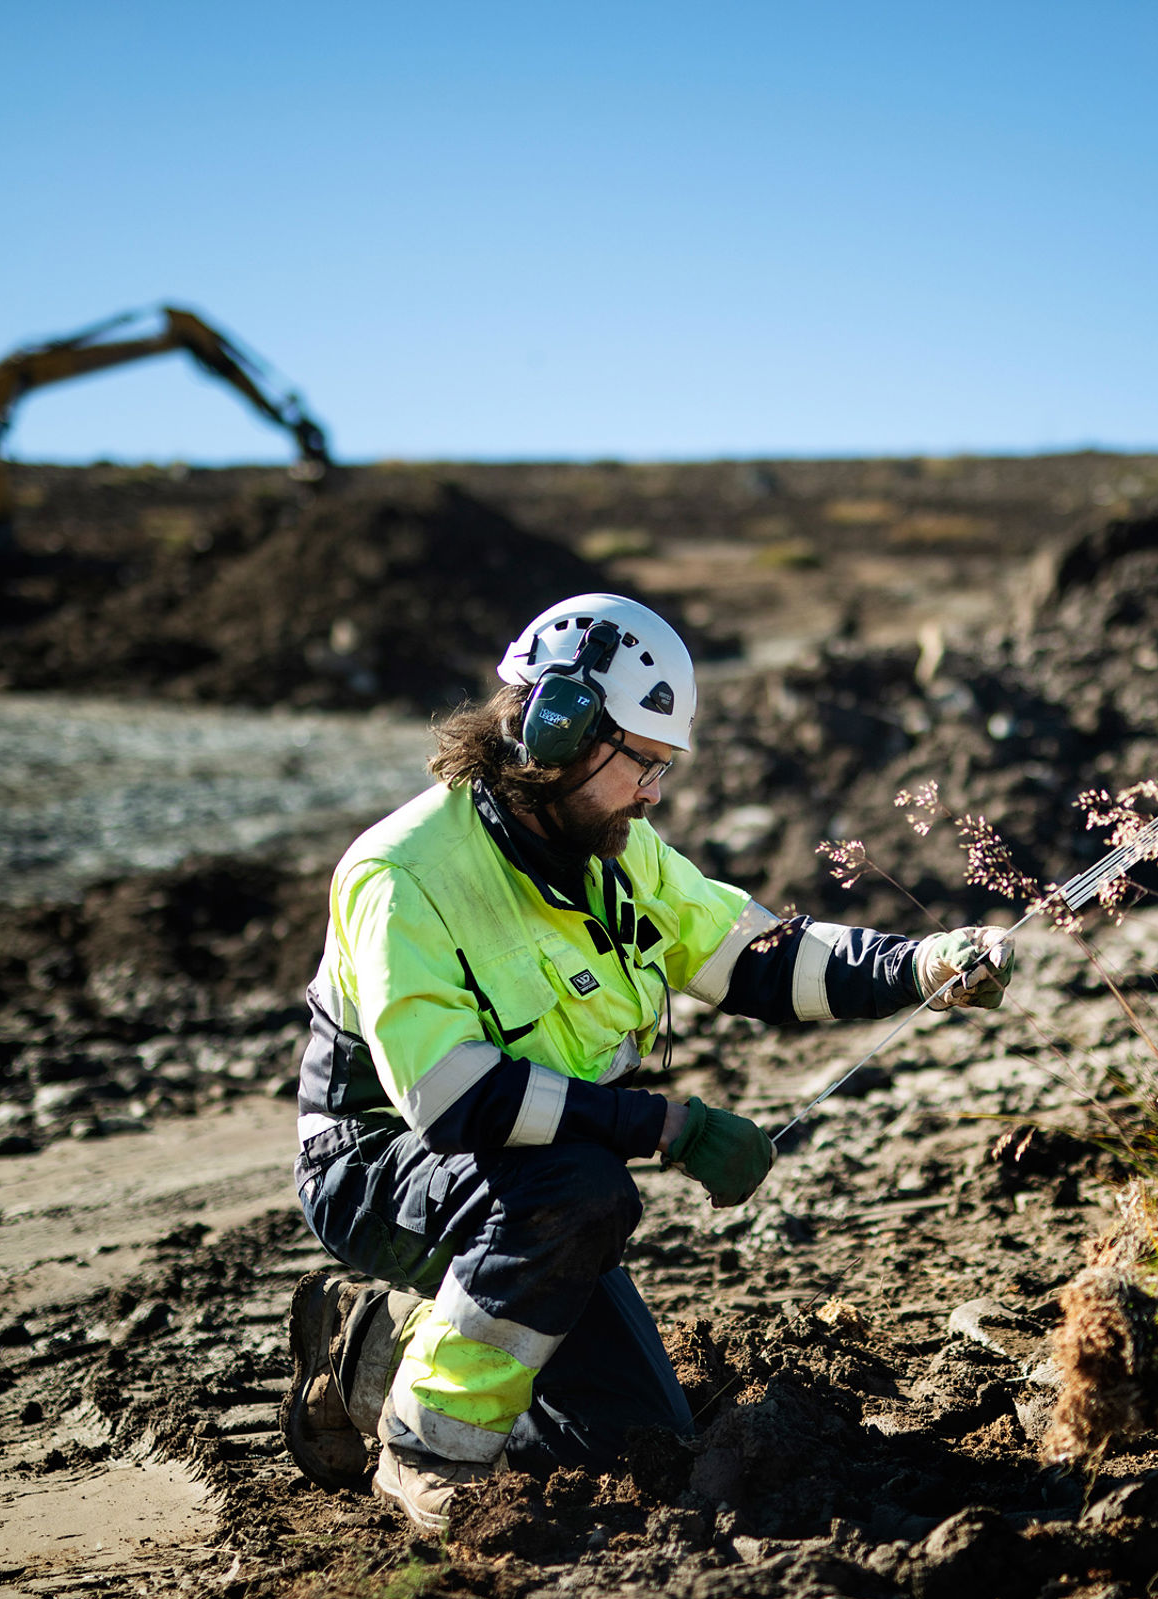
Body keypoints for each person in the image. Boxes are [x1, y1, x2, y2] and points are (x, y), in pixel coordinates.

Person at [284, 593, 1011, 1533]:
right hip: (376, 1165)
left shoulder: (613, 850)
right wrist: (668, 1126)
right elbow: (448, 1096)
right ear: (559, 726)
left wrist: (922, 964)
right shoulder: (402, 872)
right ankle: (430, 1447)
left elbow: (757, 957)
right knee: (583, 1191)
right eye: (645, 763)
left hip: (523, 1169)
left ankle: (374, 1350)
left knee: (630, 1440)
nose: (655, 792)